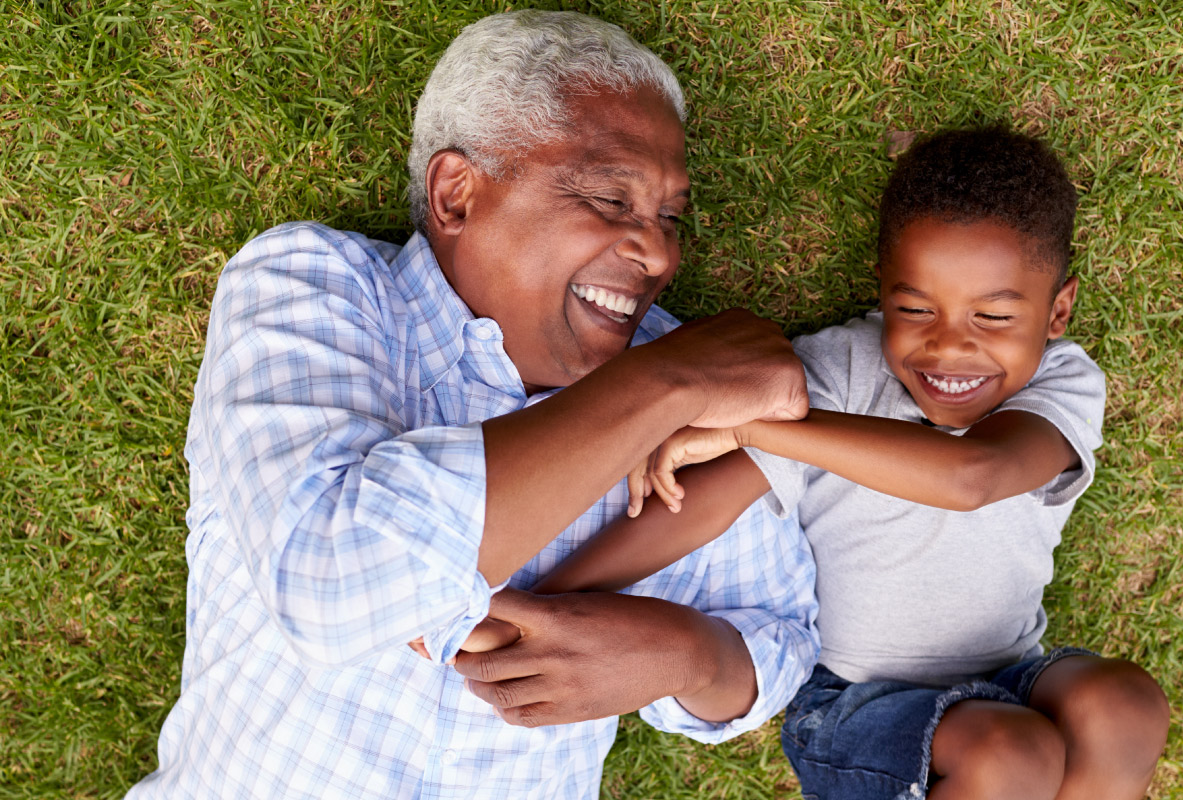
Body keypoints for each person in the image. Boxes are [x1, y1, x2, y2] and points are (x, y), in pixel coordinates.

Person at [127, 10, 819, 799]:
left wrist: (682, 654)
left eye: (668, 216)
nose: (660, 253)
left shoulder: (686, 378)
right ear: (456, 194)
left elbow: (778, 639)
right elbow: (333, 585)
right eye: (609, 199)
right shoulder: (310, 285)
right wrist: (665, 384)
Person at [519, 127, 1171, 800]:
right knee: (1012, 754)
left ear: (1057, 309)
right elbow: (705, 505)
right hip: (855, 704)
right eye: (914, 309)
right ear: (883, 292)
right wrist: (544, 601)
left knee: (1126, 705)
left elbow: (974, 475)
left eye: (995, 317)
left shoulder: (1061, 384)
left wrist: (757, 426)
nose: (950, 347)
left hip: (1014, 672)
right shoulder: (839, 371)